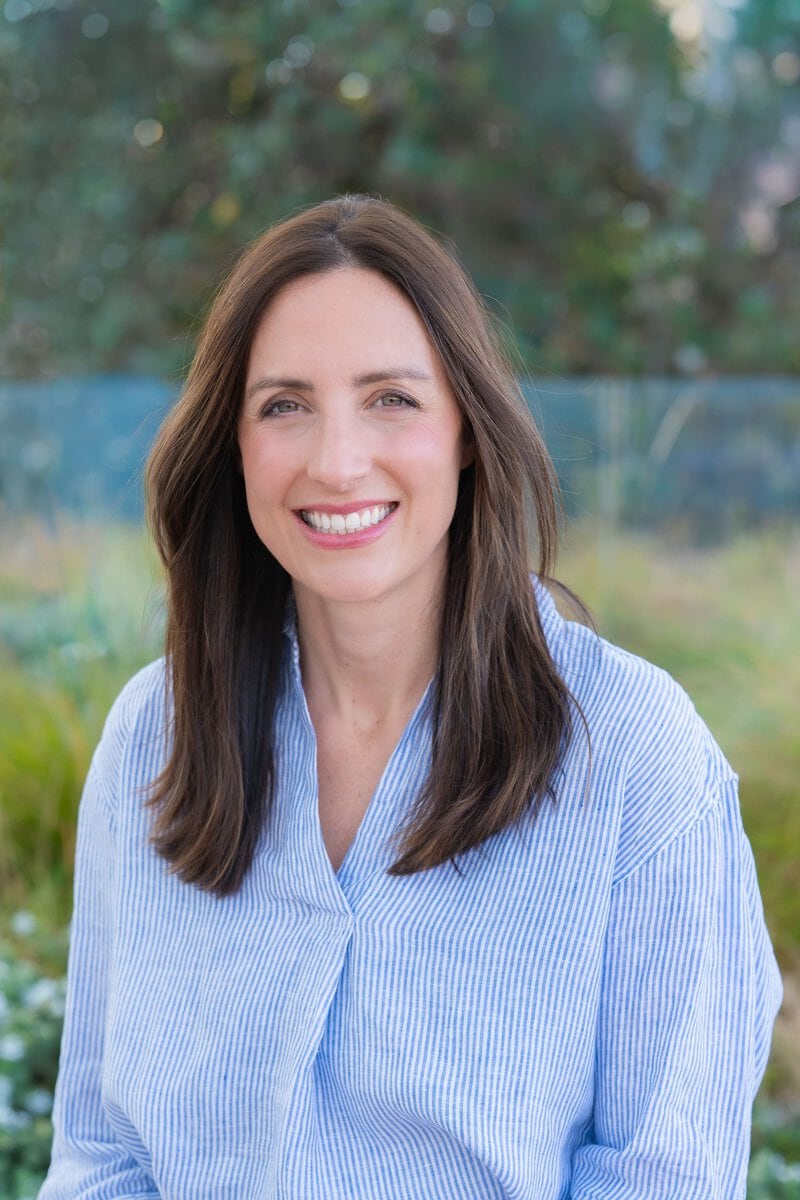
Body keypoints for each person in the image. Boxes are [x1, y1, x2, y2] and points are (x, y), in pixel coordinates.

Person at [41, 195, 781, 1200]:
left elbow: (665, 1179)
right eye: (282, 404)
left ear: (466, 430)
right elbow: (102, 1155)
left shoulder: (636, 755)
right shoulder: (153, 735)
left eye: (391, 398)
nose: (336, 460)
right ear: (233, 442)